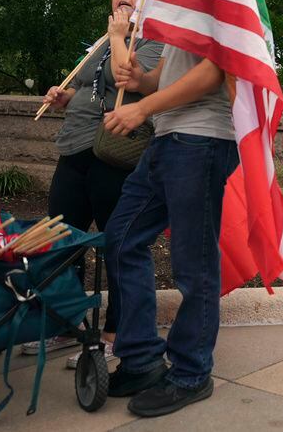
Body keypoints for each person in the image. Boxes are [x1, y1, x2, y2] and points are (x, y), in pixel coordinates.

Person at [28, 0, 164, 367]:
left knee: (117, 245)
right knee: (62, 240)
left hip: (114, 152)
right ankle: (65, 322)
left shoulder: (152, 40)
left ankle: (115, 333)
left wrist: (121, 35)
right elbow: (89, 88)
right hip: (75, 149)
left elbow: (129, 81)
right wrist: (64, 97)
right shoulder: (102, 40)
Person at [101, 41, 238, 418]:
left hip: (202, 139)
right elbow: (164, 77)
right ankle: (142, 360)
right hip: (166, 139)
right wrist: (142, 81)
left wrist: (142, 107)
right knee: (120, 239)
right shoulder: (177, 5)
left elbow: (214, 70)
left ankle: (193, 372)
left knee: (194, 263)